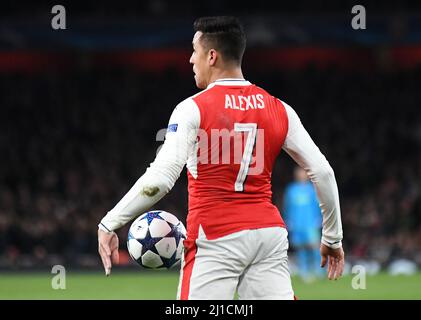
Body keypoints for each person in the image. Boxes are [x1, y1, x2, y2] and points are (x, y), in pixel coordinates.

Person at [97, 16, 344, 300]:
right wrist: (333, 238)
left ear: (211, 56)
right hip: (268, 235)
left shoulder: (192, 109)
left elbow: (161, 179)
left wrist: (110, 221)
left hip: (215, 236)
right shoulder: (280, 108)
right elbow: (323, 172)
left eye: (194, 51)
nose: (191, 59)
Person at [284, 166, 324, 281]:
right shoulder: (291, 190)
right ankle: (304, 272)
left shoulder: (312, 189)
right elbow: (288, 206)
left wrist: (319, 218)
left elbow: (318, 205)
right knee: (301, 248)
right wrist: (288, 220)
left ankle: (319, 270)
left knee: (315, 247)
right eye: (299, 173)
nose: (301, 175)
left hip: (310, 223)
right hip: (297, 224)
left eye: (303, 173)